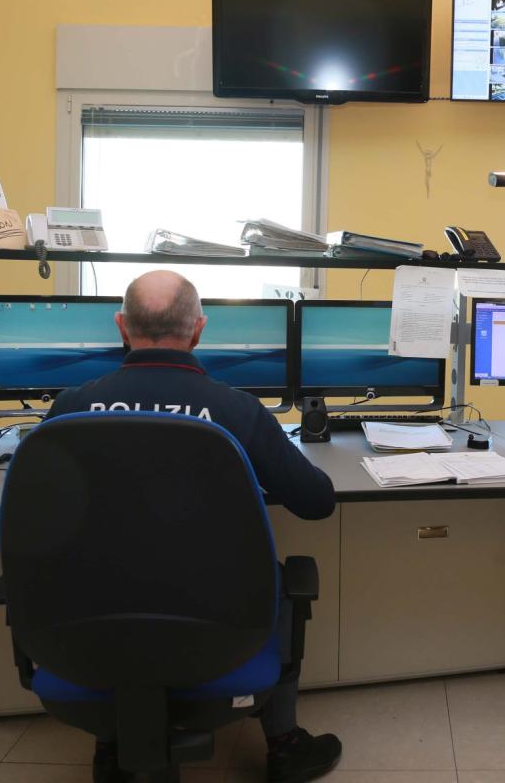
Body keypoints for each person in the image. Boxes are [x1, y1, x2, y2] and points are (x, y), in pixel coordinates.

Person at [44, 270, 341, 783]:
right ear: (199, 330)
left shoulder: (69, 408)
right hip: (218, 626)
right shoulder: (239, 411)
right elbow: (316, 502)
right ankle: (285, 744)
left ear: (122, 326)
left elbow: (40, 512)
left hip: (95, 626)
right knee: (280, 580)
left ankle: (112, 742)